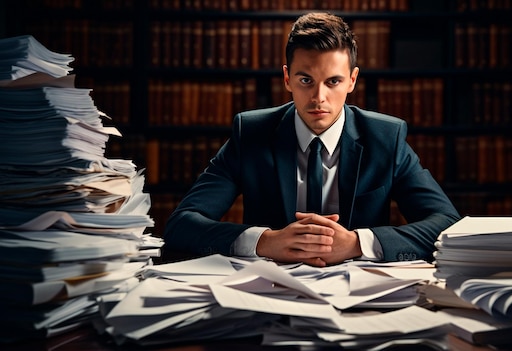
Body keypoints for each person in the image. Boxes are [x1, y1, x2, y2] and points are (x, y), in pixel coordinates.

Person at [163, 12, 460, 267]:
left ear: (352, 81)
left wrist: (358, 243)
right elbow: (182, 224)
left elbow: (446, 223)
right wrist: (265, 241)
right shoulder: (251, 133)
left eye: (333, 81)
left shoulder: (385, 138)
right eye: (306, 80)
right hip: (268, 290)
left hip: (360, 294)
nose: (319, 97)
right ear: (287, 78)